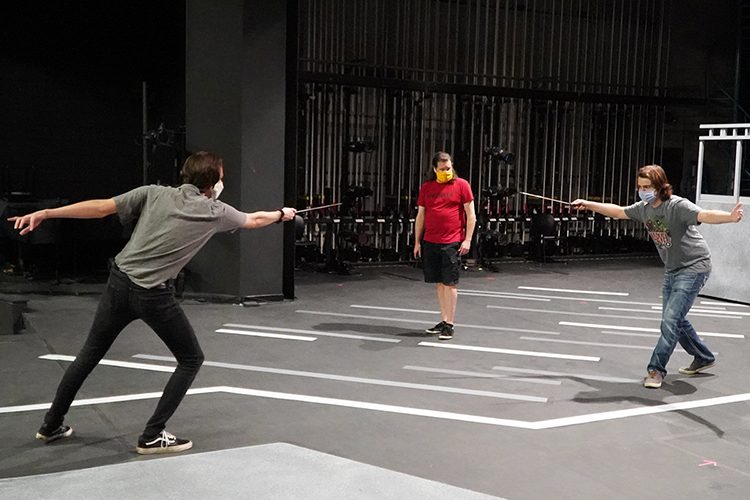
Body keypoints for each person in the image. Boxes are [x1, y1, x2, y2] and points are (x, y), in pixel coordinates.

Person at [9, 151, 296, 453]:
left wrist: (47, 213)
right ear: (213, 183)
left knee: (89, 354)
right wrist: (282, 214)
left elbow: (100, 208)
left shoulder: (153, 193)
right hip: (153, 295)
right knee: (191, 359)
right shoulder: (216, 211)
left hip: (118, 283)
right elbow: (254, 219)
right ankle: (152, 435)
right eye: (221, 178)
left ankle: (51, 425)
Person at [571, 165, 743, 389]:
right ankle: (703, 356)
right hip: (672, 269)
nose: (642, 191)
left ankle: (655, 369)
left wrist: (730, 217)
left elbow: (704, 215)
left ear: (660, 186)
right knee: (675, 319)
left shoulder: (677, 206)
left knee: (670, 320)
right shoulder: (644, 209)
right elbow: (618, 211)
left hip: (694, 267)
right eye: (640, 187)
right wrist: (588, 203)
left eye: (647, 187)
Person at [413, 151, 476, 341]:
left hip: (452, 241)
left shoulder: (462, 185)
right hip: (431, 241)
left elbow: (471, 215)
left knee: (450, 283)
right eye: (442, 169)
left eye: (448, 168)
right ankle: (444, 319)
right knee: (439, 283)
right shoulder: (427, 188)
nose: (446, 171)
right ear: (435, 169)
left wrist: (467, 239)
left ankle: (450, 324)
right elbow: (421, 216)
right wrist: (417, 241)